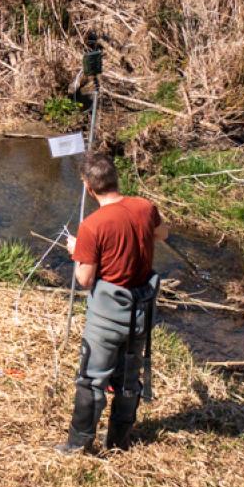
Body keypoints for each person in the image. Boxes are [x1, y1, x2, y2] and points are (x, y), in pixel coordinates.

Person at [58, 153, 168, 454]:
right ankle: (120, 441)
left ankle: (78, 445)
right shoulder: (145, 207)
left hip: (107, 316)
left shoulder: (92, 226)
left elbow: (85, 278)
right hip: (141, 311)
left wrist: (76, 250)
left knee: (92, 379)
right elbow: (162, 233)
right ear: (116, 179)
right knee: (128, 378)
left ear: (89, 188)